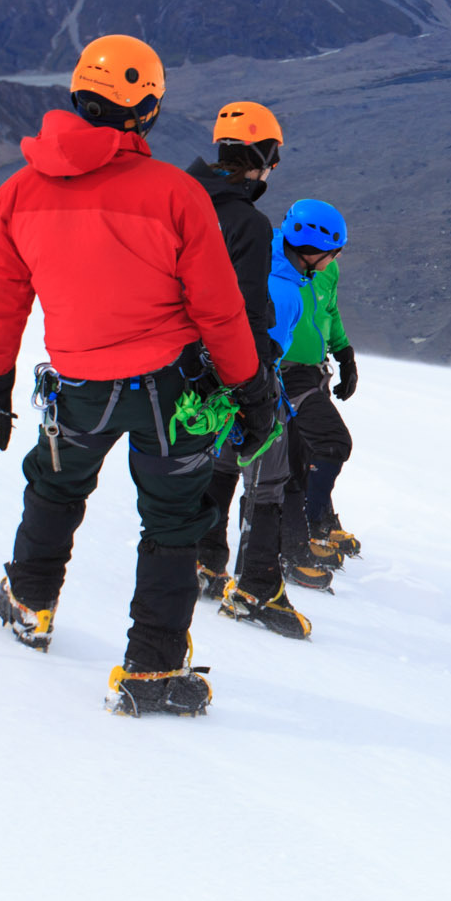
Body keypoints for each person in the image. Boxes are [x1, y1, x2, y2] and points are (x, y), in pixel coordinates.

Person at [0, 34, 275, 718]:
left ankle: (28, 604)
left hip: (76, 388)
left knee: (53, 490)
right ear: (148, 110)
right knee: (173, 518)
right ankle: (154, 669)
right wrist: (251, 391)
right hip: (170, 390)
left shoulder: (16, 194)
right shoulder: (175, 194)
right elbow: (220, 311)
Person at [185, 102, 312, 637]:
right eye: (273, 158)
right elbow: (247, 314)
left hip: (174, 365)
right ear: (260, 156)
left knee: (213, 465)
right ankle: (256, 587)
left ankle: (204, 559)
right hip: (227, 368)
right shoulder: (250, 225)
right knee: (268, 469)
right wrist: (260, 390)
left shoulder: (179, 199)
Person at [276, 240, 360, 576]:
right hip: (285, 372)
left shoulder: (328, 269)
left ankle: (318, 521)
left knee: (307, 453)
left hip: (313, 369)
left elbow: (328, 310)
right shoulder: (280, 267)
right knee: (322, 446)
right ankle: (303, 530)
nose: (337, 257)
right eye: (333, 250)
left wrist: (343, 352)